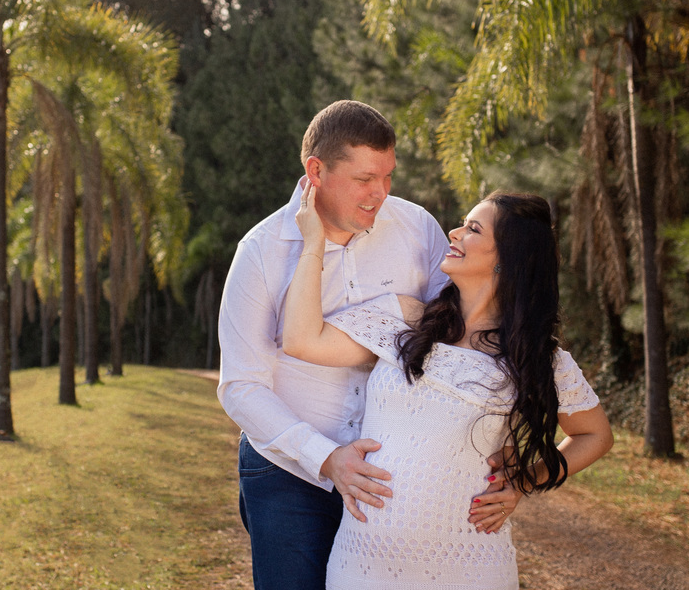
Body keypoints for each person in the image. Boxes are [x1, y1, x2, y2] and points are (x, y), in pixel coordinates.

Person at [217, 100, 520, 590]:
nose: (380, 193)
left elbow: (461, 342)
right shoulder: (260, 252)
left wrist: (504, 450)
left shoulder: (417, 228)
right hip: (290, 473)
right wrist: (326, 457)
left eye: (388, 176)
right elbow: (241, 387)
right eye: (364, 179)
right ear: (316, 171)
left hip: (395, 479)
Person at [283, 187, 615, 589]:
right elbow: (301, 340)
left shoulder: (537, 358)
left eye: (473, 229)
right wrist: (313, 246)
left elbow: (595, 435)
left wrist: (525, 480)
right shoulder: (407, 318)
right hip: (362, 563)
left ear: (508, 258)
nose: (454, 233)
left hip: (471, 567)